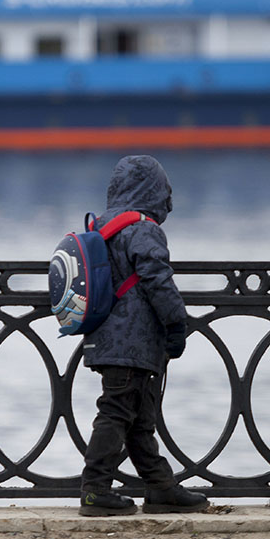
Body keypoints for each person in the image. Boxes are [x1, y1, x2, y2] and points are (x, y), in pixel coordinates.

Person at [79, 154, 210, 516]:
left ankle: (160, 487)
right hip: (133, 340)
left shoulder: (101, 225)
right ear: (155, 190)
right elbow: (158, 280)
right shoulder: (143, 227)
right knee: (118, 412)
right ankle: (94, 489)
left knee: (138, 416)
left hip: (104, 334)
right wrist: (176, 324)